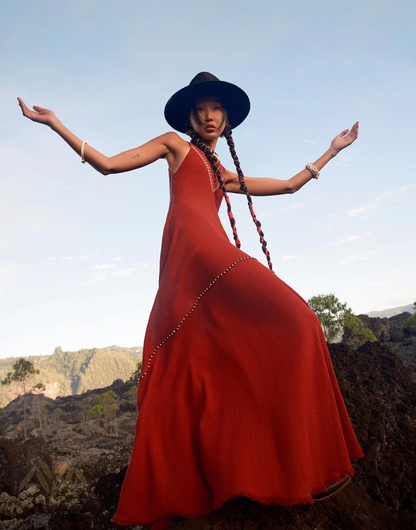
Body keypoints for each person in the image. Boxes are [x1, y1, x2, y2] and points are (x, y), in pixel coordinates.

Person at [17, 72, 363, 530]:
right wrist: (56, 124)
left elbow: (288, 186)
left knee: (286, 328)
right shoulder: (174, 146)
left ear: (227, 117)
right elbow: (107, 164)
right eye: (200, 109)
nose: (208, 116)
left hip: (210, 259)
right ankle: (285, 466)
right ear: (189, 118)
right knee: (290, 323)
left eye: (215, 108)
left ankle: (289, 462)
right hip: (196, 257)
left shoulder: (221, 172)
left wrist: (332, 151)